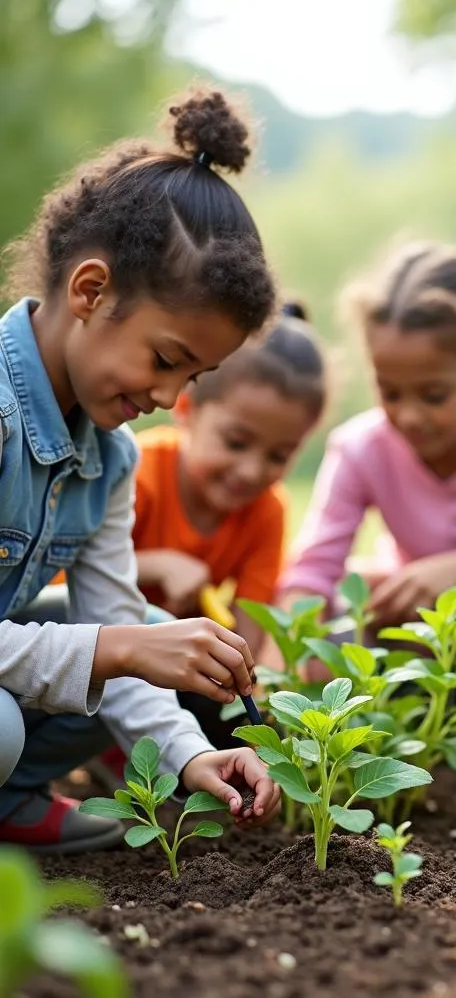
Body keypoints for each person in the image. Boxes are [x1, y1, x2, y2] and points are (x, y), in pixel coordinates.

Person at [0, 86, 282, 853]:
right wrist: (117, 649)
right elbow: (111, 649)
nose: (165, 397)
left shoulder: (108, 458)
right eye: (164, 360)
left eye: (190, 379)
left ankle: (13, 800)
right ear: (90, 291)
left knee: (149, 632)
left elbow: (120, 628)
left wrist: (194, 755)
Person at [279, 243, 456, 632]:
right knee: (353, 600)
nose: (410, 416)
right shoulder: (360, 448)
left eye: (434, 395)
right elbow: (313, 571)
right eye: (390, 392)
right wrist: (277, 668)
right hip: (415, 626)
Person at [130, 300, 325, 746]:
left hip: (177, 668)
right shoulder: (139, 474)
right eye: (236, 442)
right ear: (187, 406)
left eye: (279, 455)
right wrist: (156, 564)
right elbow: (67, 586)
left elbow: (248, 628)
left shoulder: (266, 510)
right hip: (106, 653)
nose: (252, 471)